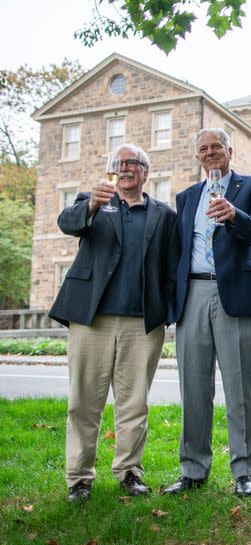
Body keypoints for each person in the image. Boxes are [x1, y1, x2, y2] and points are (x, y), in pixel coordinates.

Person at [49, 143, 178, 502]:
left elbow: (171, 269)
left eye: (132, 163)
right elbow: (65, 222)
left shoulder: (164, 215)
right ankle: (79, 477)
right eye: (118, 163)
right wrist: (90, 204)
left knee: (134, 403)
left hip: (143, 324)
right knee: (83, 401)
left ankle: (129, 472)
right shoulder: (91, 203)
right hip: (92, 319)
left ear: (145, 172)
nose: (124, 168)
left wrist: (167, 314)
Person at [163, 128, 251, 498]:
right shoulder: (186, 196)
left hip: (237, 294)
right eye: (203, 148)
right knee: (193, 386)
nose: (210, 153)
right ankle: (193, 469)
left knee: (239, 386)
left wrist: (235, 215)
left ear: (230, 150)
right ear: (197, 155)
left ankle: (245, 471)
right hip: (192, 292)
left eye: (216, 147)